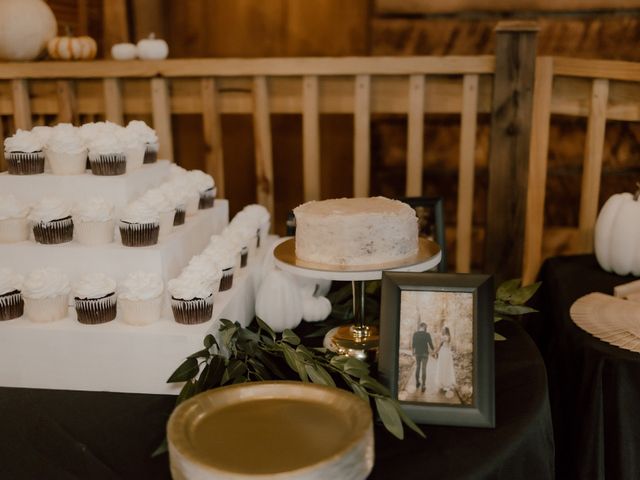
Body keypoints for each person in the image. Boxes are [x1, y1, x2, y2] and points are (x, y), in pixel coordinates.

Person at [412, 322, 434, 393]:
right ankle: (423, 385)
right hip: (425, 353)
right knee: (424, 368)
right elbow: (430, 344)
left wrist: (413, 352)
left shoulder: (415, 334)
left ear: (419, 327)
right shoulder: (427, 334)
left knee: (418, 367)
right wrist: (434, 351)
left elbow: (413, 344)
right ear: (424, 327)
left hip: (417, 353)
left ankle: (417, 382)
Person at [435, 326, 457, 396]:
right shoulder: (448, 336)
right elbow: (441, 344)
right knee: (444, 367)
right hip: (445, 352)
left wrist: (436, 351)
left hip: (445, 352)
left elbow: (440, 344)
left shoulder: (445, 337)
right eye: (442, 329)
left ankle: (446, 384)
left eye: (443, 330)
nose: (443, 330)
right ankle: (444, 383)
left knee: (445, 367)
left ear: (446, 330)